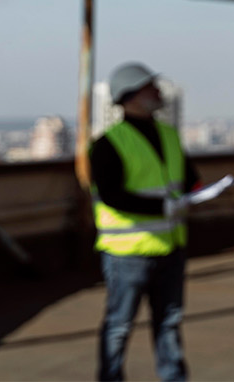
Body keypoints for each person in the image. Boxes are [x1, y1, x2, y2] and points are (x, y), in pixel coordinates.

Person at [90, 62, 197, 381]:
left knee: (169, 323)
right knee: (119, 326)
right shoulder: (108, 143)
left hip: (170, 247)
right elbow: (112, 196)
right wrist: (165, 207)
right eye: (150, 87)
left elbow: (189, 178)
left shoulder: (169, 134)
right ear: (130, 96)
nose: (158, 91)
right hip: (128, 253)